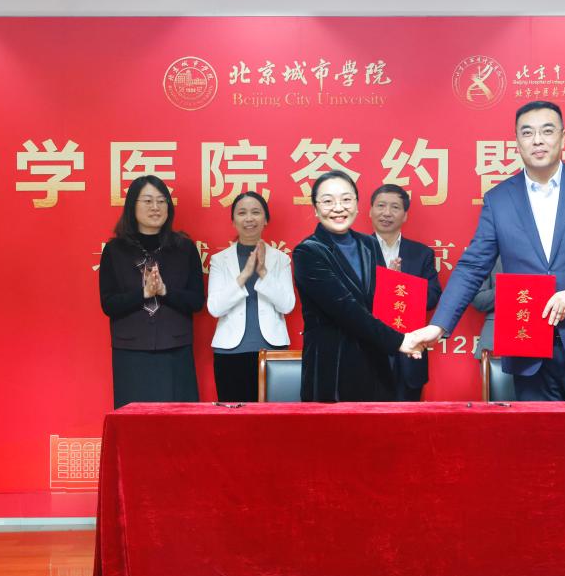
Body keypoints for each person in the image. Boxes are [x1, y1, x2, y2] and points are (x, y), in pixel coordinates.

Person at [412, 101, 565, 401]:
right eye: (527, 133)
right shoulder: (499, 199)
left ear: (563, 137)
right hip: (528, 349)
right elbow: (472, 267)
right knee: (536, 433)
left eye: (547, 131)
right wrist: (438, 326)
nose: (538, 140)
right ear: (517, 142)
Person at [293, 171, 424, 402]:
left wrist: (392, 288)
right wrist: (401, 341)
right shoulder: (308, 251)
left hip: (375, 364)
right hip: (332, 367)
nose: (338, 208)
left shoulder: (369, 244)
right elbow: (345, 309)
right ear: (315, 208)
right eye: (328, 201)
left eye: (346, 199)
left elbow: (378, 304)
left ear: (356, 203)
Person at [98, 175, 203, 408]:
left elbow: (197, 301)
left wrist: (165, 291)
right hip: (131, 351)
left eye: (161, 201)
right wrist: (143, 294)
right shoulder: (115, 250)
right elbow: (109, 304)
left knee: (179, 420)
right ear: (132, 206)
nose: (155, 207)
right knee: (136, 421)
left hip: (175, 349)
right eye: (147, 201)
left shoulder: (184, 248)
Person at [207, 192, 295, 402]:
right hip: (230, 353)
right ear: (233, 220)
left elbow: (287, 305)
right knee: (234, 416)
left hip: (272, 351)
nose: (249, 218)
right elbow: (215, 308)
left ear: (265, 219)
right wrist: (244, 275)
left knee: (273, 417)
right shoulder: (219, 260)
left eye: (256, 212)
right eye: (242, 213)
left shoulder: (281, 259)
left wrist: (263, 272)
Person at [369, 184, 443, 401]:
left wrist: (401, 284)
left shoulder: (421, 254)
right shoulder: (356, 250)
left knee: (408, 417)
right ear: (370, 211)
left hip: (409, 357)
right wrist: (387, 283)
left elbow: (432, 297)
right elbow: (349, 300)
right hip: (368, 353)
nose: (386, 213)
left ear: (405, 215)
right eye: (381, 206)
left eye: (395, 207)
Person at [470, 258, 502, 360]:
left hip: (541, 330)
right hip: (496, 335)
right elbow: (478, 300)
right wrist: (507, 288)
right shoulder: (493, 255)